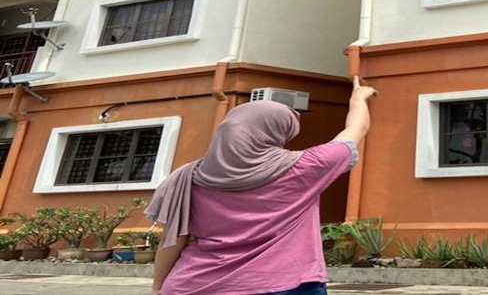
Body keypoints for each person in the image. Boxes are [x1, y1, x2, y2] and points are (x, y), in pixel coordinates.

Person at [146, 75, 377, 295]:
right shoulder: (306, 167)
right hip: (285, 284)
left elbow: (173, 238)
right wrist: (357, 98)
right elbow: (356, 130)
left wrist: (158, 286)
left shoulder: (187, 176)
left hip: (193, 284)